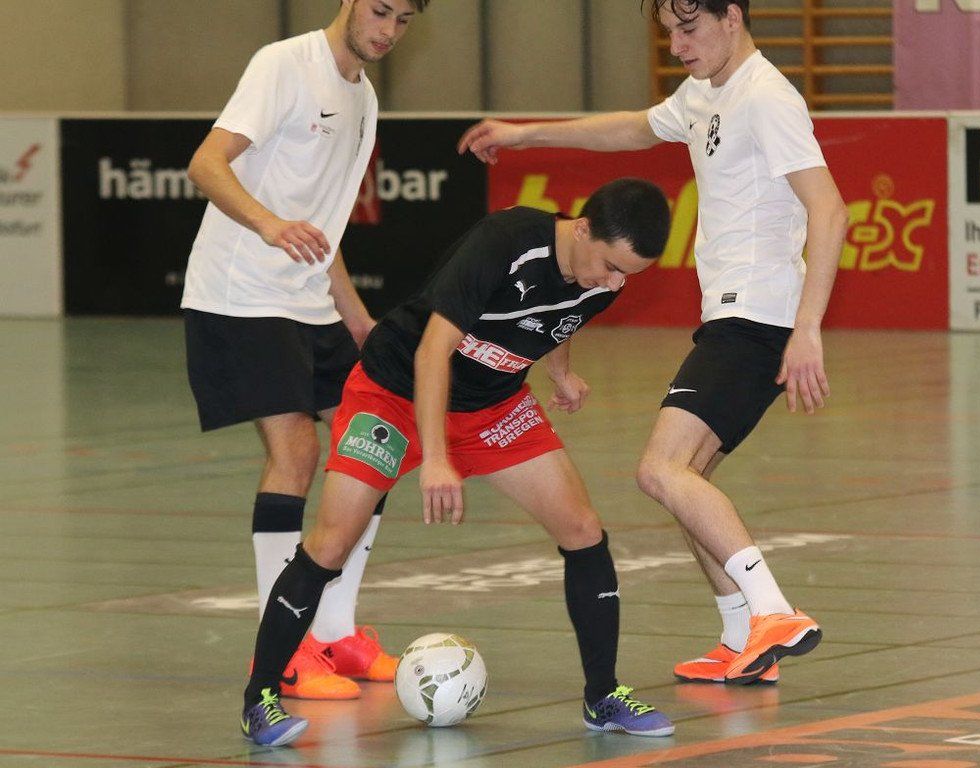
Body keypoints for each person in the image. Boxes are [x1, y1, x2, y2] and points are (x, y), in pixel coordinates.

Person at [458, 0, 848, 687]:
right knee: (688, 481)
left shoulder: (766, 97)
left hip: (757, 317)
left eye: (688, 29)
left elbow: (830, 209)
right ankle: (742, 640)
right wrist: (524, 134)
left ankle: (773, 612)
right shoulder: (703, 93)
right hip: (735, 317)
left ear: (732, 18)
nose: (676, 46)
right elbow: (631, 128)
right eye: (669, 32)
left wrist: (808, 328)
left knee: (659, 469)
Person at [239, 178, 675, 747]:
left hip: (492, 405)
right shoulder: (504, 242)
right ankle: (260, 699)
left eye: (628, 274)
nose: (615, 283)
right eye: (612, 267)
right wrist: (438, 459)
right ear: (583, 228)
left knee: (582, 529)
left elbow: (558, 317)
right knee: (331, 543)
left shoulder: (604, 276)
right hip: (395, 393)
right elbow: (432, 352)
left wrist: (560, 372)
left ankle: (604, 697)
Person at [182, 0, 430, 703]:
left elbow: (325, 226)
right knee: (295, 451)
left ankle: (336, 632)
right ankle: (283, 651)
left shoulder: (364, 99)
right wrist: (268, 224)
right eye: (379, 11)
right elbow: (206, 163)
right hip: (240, 294)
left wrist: (357, 319)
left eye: (403, 20)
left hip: (310, 299)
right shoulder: (284, 65)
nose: (387, 30)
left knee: (374, 442)